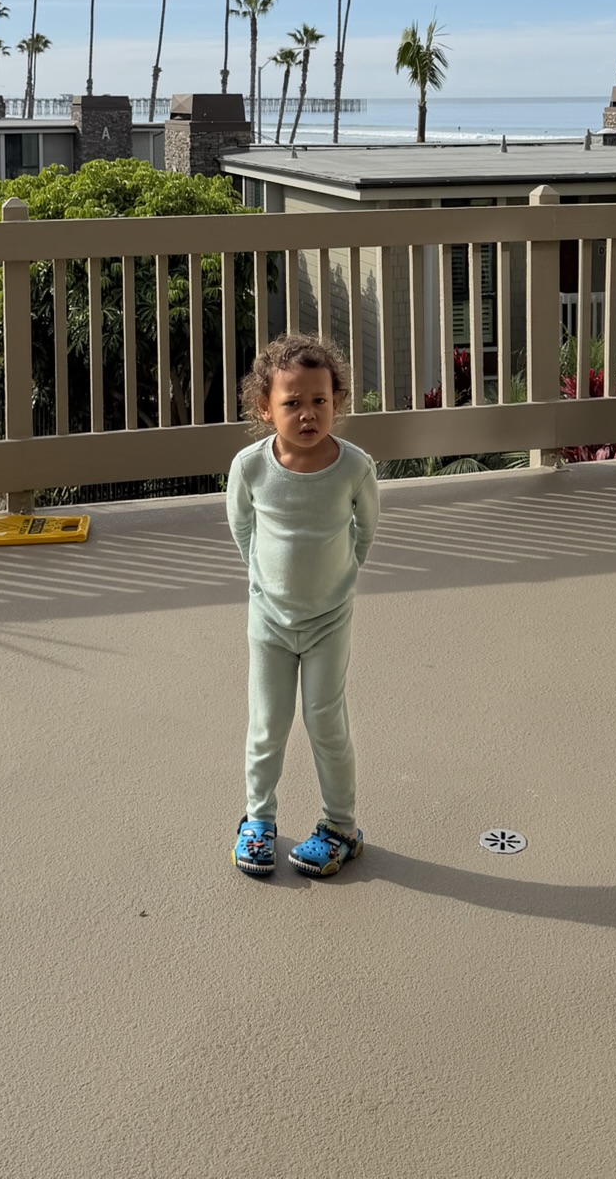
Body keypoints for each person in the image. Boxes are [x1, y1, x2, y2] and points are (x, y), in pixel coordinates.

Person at [226, 332, 380, 878]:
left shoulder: (354, 467)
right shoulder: (250, 467)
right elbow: (243, 527)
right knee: (267, 723)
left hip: (328, 622)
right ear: (265, 408)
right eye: (292, 403)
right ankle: (258, 821)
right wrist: (264, 579)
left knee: (325, 722)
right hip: (268, 619)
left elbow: (365, 530)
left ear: (337, 399)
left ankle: (340, 827)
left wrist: (342, 575)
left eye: (320, 400)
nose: (308, 413)